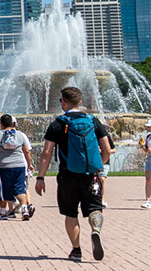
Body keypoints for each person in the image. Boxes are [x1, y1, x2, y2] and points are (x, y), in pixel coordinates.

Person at [34, 87, 113, 262]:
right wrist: (98, 165)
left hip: (67, 176)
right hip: (91, 175)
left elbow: (47, 153)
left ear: (63, 102)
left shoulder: (58, 124)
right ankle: (95, 230)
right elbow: (107, 149)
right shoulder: (93, 121)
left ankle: (76, 250)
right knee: (94, 209)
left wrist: (40, 177)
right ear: (81, 102)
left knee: (71, 213)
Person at [0, 114, 34, 221]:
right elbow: (27, 151)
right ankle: (24, 209)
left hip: (3, 166)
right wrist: (29, 164)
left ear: (1, 124)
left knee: (3, 189)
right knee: (20, 188)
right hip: (19, 165)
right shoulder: (20, 135)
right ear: (12, 123)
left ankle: (3, 212)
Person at [97, 133, 114, 208]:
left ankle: (103, 199)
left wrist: (105, 150)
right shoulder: (90, 136)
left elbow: (114, 149)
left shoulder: (106, 137)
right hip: (94, 161)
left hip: (105, 161)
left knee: (102, 179)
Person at [142, 119, 151, 209]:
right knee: (148, 180)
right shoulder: (148, 137)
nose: (148, 128)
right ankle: (147, 200)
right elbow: (147, 150)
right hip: (149, 159)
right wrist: (142, 146)